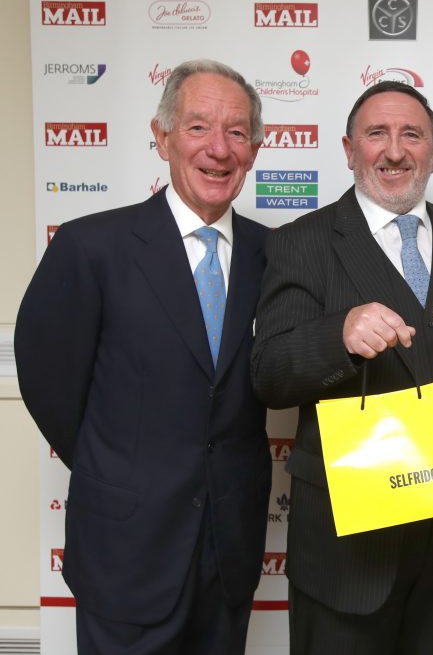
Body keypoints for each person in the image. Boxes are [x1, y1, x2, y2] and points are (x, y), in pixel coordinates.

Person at [16, 59, 270, 654]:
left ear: (255, 150)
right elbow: (48, 382)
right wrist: (119, 468)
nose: (219, 148)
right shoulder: (90, 246)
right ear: (162, 138)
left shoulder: (274, 254)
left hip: (227, 550)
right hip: (125, 548)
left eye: (237, 132)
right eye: (198, 127)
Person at [250, 80, 433, 655]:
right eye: (376, 134)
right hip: (350, 545)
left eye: (411, 135)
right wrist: (336, 334)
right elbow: (268, 373)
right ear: (348, 149)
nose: (393, 151)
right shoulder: (302, 242)